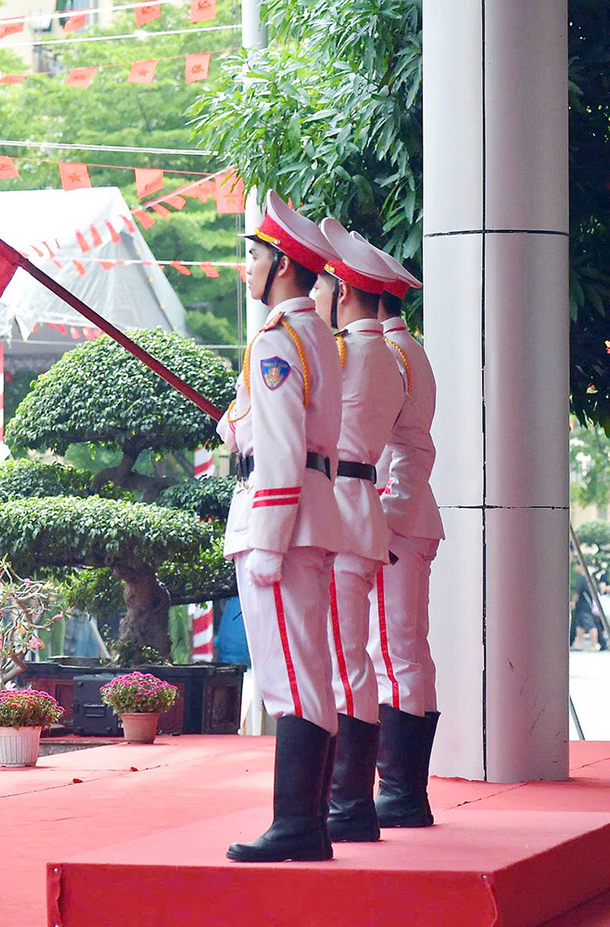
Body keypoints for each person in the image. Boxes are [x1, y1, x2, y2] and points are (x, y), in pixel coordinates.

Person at [219, 191, 344, 863]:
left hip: (281, 527)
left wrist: (266, 539)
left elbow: (282, 446)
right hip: (307, 519)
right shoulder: (313, 333)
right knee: (307, 670)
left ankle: (297, 825)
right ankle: (307, 822)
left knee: (290, 677)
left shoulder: (278, 339)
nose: (247, 266)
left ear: (284, 267)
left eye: (254, 255)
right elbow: (278, 430)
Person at [310, 219, 405, 843]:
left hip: (342, 511)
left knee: (346, 661)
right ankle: (350, 803)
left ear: (345, 292)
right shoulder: (388, 357)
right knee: (353, 659)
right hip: (358, 507)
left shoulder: (345, 353)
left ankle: (349, 805)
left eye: (326, 284)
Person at [363, 236, 446, 829]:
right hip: (406, 518)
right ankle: (402, 790)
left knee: (394, 655)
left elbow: (406, 451)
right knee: (403, 652)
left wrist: (385, 523)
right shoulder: (406, 349)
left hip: (397, 519)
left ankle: (401, 792)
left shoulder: (390, 355)